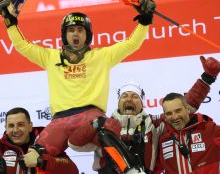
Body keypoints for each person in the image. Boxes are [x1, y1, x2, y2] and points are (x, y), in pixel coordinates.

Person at [0, 0, 157, 164]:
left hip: (91, 118)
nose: (75, 34)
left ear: (87, 34)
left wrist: (145, 22)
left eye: (80, 30)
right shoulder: (50, 56)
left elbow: (132, 44)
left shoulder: (102, 56)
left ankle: (131, 169)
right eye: (71, 30)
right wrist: (9, 22)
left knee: (111, 130)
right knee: (33, 158)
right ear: (64, 34)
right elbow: (21, 45)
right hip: (60, 122)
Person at [68, 55, 220, 173]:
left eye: (135, 96)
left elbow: (186, 107)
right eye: (125, 96)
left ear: (142, 102)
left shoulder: (153, 124)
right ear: (118, 101)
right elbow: (74, 144)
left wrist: (206, 78)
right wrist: (96, 124)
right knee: (105, 136)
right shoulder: (104, 125)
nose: (129, 99)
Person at [0, 88, 79, 174]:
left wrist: (42, 161)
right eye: (11, 126)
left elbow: (72, 170)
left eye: (21, 125)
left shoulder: (47, 143)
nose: (16, 130)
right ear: (6, 128)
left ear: (30, 126)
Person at [159, 92, 220, 173]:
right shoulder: (163, 140)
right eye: (169, 113)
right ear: (165, 116)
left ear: (187, 109)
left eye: (178, 111)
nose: (174, 117)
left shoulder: (209, 130)